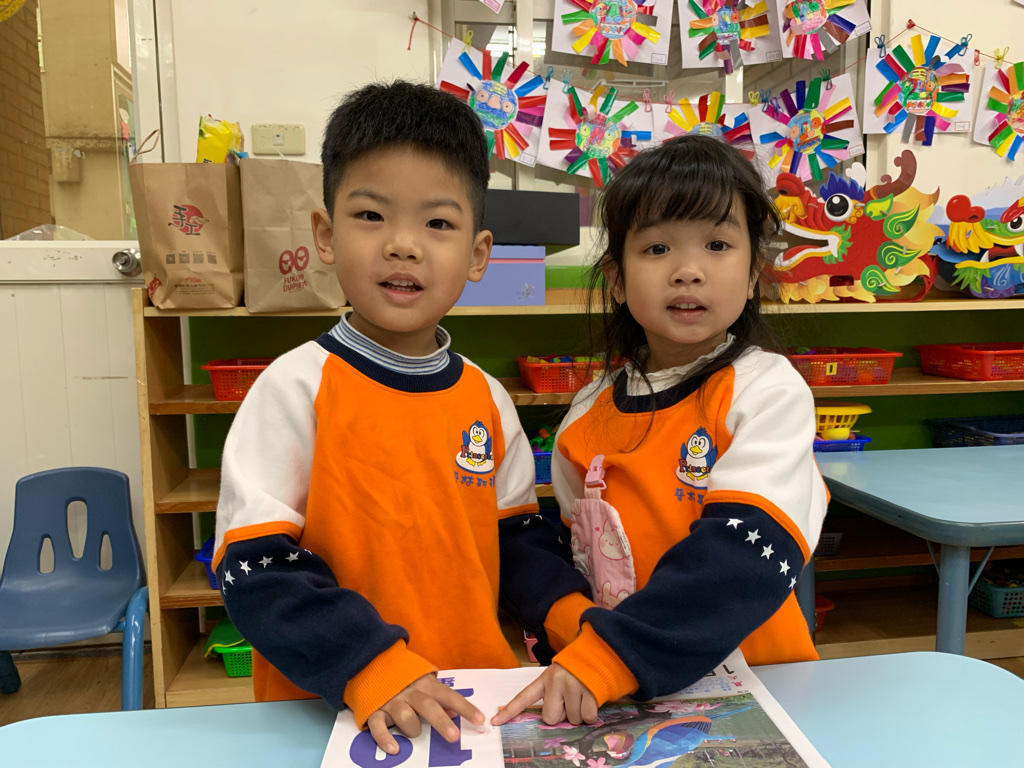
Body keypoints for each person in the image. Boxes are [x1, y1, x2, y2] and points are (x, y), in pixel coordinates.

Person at [213, 80, 593, 753]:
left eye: (438, 224)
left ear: (478, 255)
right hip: (336, 712)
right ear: (325, 235)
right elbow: (256, 569)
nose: (404, 245)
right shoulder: (293, 389)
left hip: (472, 707)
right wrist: (368, 664)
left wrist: (579, 626)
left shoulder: (486, 397)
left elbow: (518, 548)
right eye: (371, 215)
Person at [493, 135, 827, 726]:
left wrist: (610, 657)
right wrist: (574, 635)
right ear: (617, 280)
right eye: (656, 248)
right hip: (625, 696)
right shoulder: (587, 412)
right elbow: (578, 557)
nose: (688, 271)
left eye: (717, 245)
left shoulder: (767, 392)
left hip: (757, 687)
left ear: (754, 273)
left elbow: (742, 555)